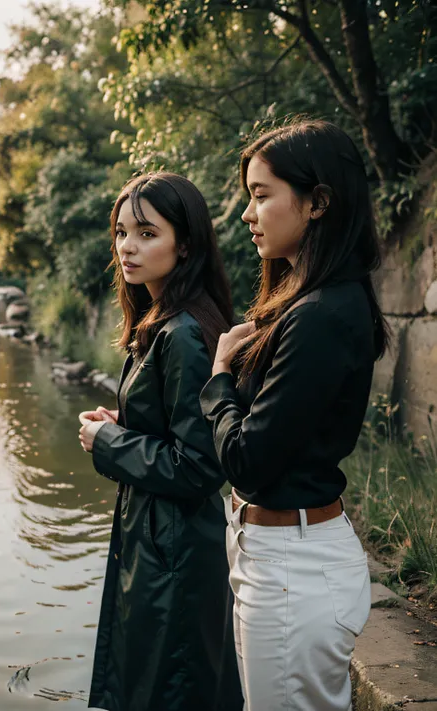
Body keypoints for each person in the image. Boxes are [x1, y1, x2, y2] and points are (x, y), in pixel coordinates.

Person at [199, 118, 389, 711]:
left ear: (317, 203)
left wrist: (220, 378)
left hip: (294, 567)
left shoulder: (321, 315)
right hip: (279, 556)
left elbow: (248, 462)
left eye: (261, 196)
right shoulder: (316, 303)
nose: (247, 215)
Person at [78, 172, 243, 711]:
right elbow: (175, 426)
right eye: (122, 232)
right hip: (157, 538)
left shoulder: (185, 333)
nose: (128, 246)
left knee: (169, 690)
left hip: (173, 548)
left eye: (147, 233)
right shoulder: (162, 320)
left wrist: (108, 442)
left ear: (186, 243)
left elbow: (199, 465)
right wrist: (124, 423)